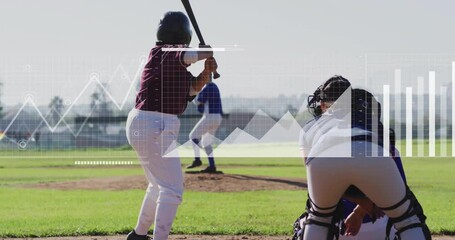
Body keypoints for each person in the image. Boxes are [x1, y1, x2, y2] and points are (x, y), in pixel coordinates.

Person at [294, 76, 430, 240]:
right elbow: (389, 170)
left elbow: (314, 175)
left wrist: (360, 203)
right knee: (407, 218)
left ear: (323, 104)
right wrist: (362, 208)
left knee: (317, 217)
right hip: (378, 223)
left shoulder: (311, 127)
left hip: (339, 225)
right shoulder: (371, 123)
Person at [125, 11, 218, 240]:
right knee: (173, 189)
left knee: (158, 185)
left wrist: (206, 71)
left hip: (147, 124)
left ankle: (138, 234)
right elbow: (187, 55)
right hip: (154, 125)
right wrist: (206, 52)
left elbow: (191, 90)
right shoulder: (162, 52)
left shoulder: (169, 64)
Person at [186, 78, 223, 173]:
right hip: (218, 117)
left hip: (210, 116)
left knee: (193, 136)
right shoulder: (215, 86)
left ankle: (197, 160)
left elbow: (198, 101)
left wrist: (194, 93)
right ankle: (212, 166)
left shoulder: (208, 87)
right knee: (206, 142)